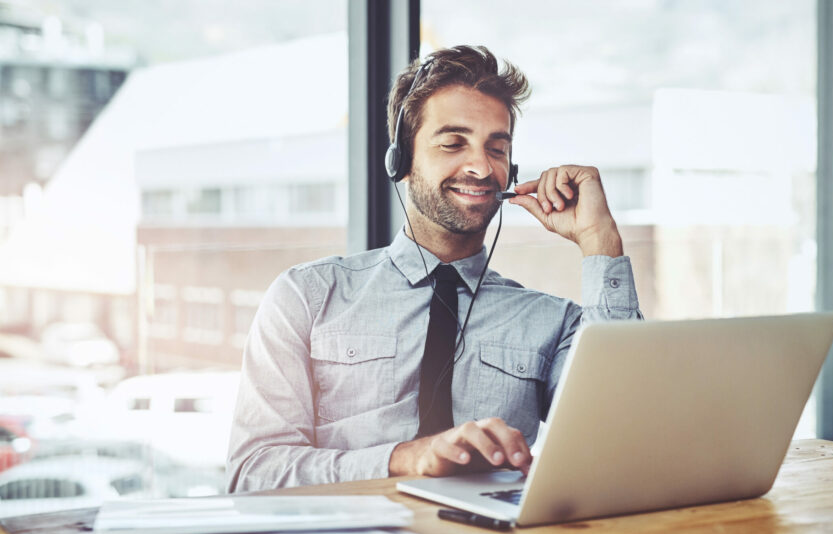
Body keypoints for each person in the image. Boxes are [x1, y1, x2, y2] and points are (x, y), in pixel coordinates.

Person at [227, 45, 642, 492]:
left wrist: (601, 242)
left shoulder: (552, 323)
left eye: (497, 149)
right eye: (453, 143)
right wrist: (407, 458)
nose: (481, 167)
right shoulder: (307, 296)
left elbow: (628, 440)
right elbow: (253, 474)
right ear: (402, 161)